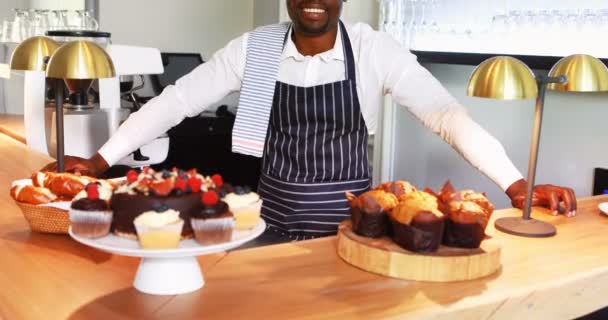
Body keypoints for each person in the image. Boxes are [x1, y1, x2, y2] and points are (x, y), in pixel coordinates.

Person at [43, 0, 576, 243]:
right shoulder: (255, 49)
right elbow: (175, 100)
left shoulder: (373, 51)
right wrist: (100, 159)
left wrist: (517, 184)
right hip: (267, 230)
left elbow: (446, 115)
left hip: (351, 234)